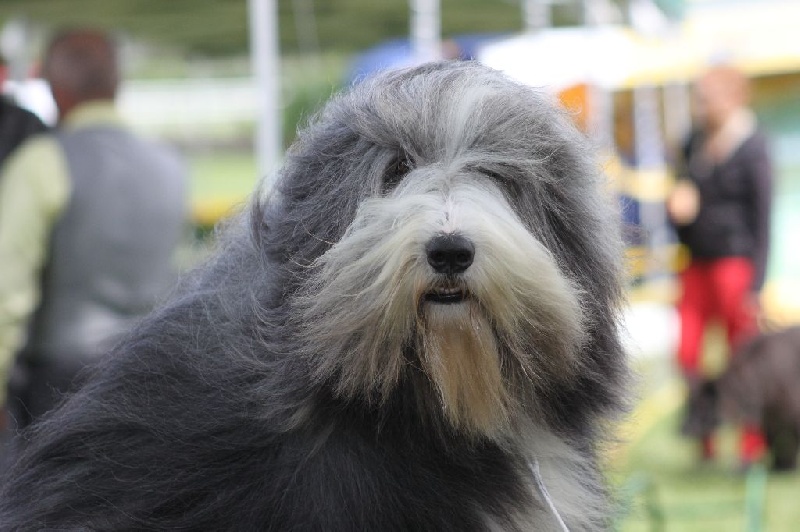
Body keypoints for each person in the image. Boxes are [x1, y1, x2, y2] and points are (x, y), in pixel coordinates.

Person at [0, 29, 189, 432]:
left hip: (59, 384)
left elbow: (6, 291)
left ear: (54, 90)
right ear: (118, 84)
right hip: (152, 370)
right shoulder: (170, 165)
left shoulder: (41, 162)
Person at [667, 65, 772, 466]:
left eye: (706, 98)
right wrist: (677, 208)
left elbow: (763, 219)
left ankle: (751, 446)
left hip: (735, 266)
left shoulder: (752, 145)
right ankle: (704, 439)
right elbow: (680, 188)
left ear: (732, 98)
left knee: (743, 358)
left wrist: (757, 285)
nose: (700, 105)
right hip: (695, 264)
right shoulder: (693, 141)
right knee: (688, 353)